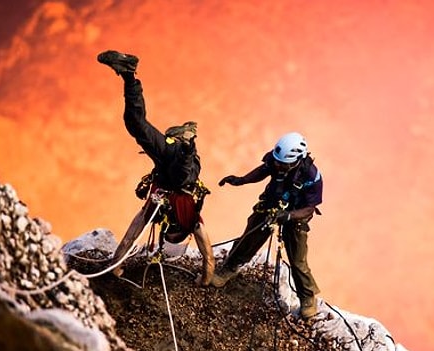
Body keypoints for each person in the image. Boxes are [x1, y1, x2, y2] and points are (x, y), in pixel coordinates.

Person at [97, 50, 215, 286]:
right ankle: (129, 75)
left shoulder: (158, 210)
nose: (169, 235)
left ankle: (130, 76)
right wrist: (204, 279)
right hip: (178, 166)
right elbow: (208, 258)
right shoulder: (192, 221)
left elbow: (132, 232)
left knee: (137, 125)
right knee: (180, 170)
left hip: (170, 163)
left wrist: (117, 264)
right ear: (178, 233)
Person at [213, 132, 323, 319]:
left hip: (295, 215)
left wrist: (288, 216)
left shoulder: (312, 176)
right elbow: (263, 170)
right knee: (249, 238)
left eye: (283, 164)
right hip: (272, 204)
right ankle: (230, 267)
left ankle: (307, 297)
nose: (278, 166)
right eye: (277, 162)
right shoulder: (277, 159)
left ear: (297, 159)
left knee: (298, 259)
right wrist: (241, 180)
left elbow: (309, 209)